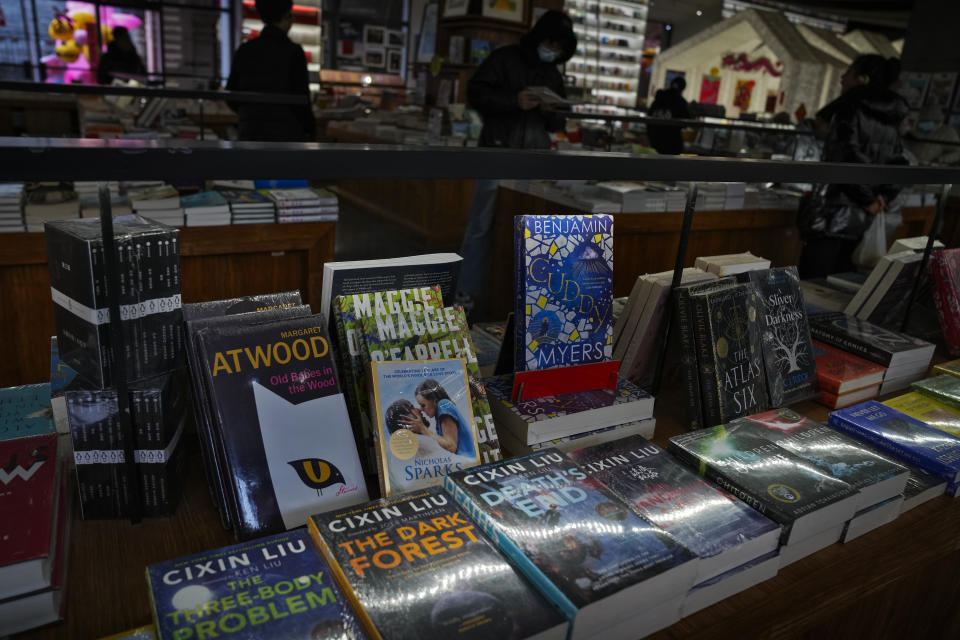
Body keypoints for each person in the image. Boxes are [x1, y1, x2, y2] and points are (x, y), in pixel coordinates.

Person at [455, 10, 576, 313]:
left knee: (530, 228)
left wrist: (551, 111)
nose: (553, 51)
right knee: (481, 223)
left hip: (536, 157)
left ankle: (517, 297)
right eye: (550, 43)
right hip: (498, 151)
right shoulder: (505, 58)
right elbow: (475, 93)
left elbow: (558, 121)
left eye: (560, 47)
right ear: (538, 37)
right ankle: (465, 292)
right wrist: (514, 100)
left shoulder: (553, 74)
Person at [797, 55, 908, 279]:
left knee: (812, 283)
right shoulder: (891, 117)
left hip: (833, 212)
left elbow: (845, 157)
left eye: (848, 72)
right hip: (863, 218)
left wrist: (867, 199)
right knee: (842, 284)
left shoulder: (849, 108)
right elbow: (899, 163)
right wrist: (880, 197)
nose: (842, 78)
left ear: (862, 79)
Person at [226, 0, 315, 141]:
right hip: (286, 133)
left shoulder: (245, 50)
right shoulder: (293, 52)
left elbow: (231, 94)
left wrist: (250, 113)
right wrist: (310, 130)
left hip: (250, 131)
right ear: (286, 16)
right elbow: (301, 99)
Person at [398, 379, 476, 458]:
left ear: (434, 401)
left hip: (469, 459)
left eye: (423, 405)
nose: (421, 409)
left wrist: (423, 429)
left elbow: (451, 446)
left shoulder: (443, 405)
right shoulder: (440, 412)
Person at [647, 77, 691, 155]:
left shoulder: (658, 98)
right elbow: (687, 121)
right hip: (672, 143)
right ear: (682, 88)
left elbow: (648, 117)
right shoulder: (680, 101)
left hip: (654, 140)